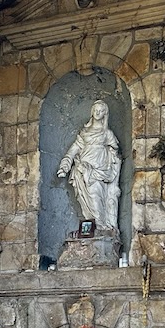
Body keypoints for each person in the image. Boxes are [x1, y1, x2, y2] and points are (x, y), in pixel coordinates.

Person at [57, 99, 122, 234]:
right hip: (83, 168)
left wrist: (111, 161)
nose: (98, 113)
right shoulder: (85, 132)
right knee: (85, 198)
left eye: (101, 111)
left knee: (96, 195)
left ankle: (101, 226)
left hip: (99, 169)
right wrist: (65, 165)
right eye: (96, 110)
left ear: (105, 114)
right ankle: (92, 228)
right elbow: (74, 149)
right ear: (92, 111)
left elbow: (115, 151)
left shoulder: (107, 133)